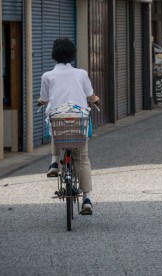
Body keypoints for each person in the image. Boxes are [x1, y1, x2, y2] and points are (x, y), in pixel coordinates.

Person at [39, 37, 99, 215]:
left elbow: (44, 98)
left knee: (55, 123)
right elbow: (90, 95)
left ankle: (54, 163)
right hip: (79, 121)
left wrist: (41, 102)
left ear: (54, 55)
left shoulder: (47, 76)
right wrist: (95, 100)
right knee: (82, 159)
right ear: (73, 55)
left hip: (58, 121)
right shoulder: (81, 73)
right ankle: (87, 198)